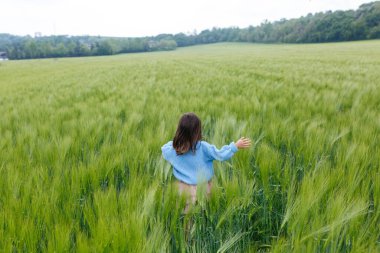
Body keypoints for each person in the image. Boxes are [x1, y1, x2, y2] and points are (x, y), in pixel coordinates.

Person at [161, 112, 251, 212]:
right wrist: (234, 146)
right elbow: (221, 155)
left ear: (179, 130)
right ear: (198, 131)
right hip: (204, 188)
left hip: (183, 189)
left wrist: (176, 142)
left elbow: (164, 149)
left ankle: (187, 228)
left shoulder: (173, 150)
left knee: (187, 218)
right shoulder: (203, 147)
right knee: (205, 214)